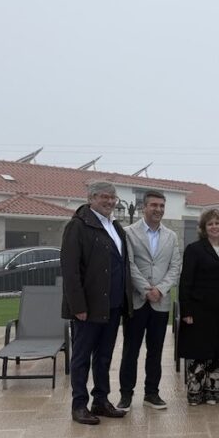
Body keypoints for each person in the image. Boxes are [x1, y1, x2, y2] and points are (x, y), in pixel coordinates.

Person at [60, 180, 132, 425]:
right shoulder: (78, 226)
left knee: (104, 357)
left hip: (112, 305)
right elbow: (70, 271)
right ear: (91, 198)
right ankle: (79, 405)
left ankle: (101, 400)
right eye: (104, 197)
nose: (110, 201)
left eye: (113, 197)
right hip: (88, 308)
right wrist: (78, 306)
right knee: (81, 358)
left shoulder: (115, 227)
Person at [119, 190, 182, 410]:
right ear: (144, 207)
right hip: (137, 301)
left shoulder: (171, 236)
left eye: (162, 206)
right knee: (131, 350)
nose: (158, 209)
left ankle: (152, 393)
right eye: (154, 205)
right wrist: (146, 290)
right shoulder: (128, 233)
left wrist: (160, 290)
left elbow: (175, 267)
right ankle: (126, 395)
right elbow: (128, 264)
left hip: (160, 303)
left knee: (156, 351)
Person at [178, 209, 219, 405]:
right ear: (203, 228)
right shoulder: (194, 249)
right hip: (198, 310)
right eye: (210, 224)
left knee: (217, 352)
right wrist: (186, 311)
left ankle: (213, 392)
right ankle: (195, 393)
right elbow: (185, 282)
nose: (214, 227)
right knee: (197, 352)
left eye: (217, 223)